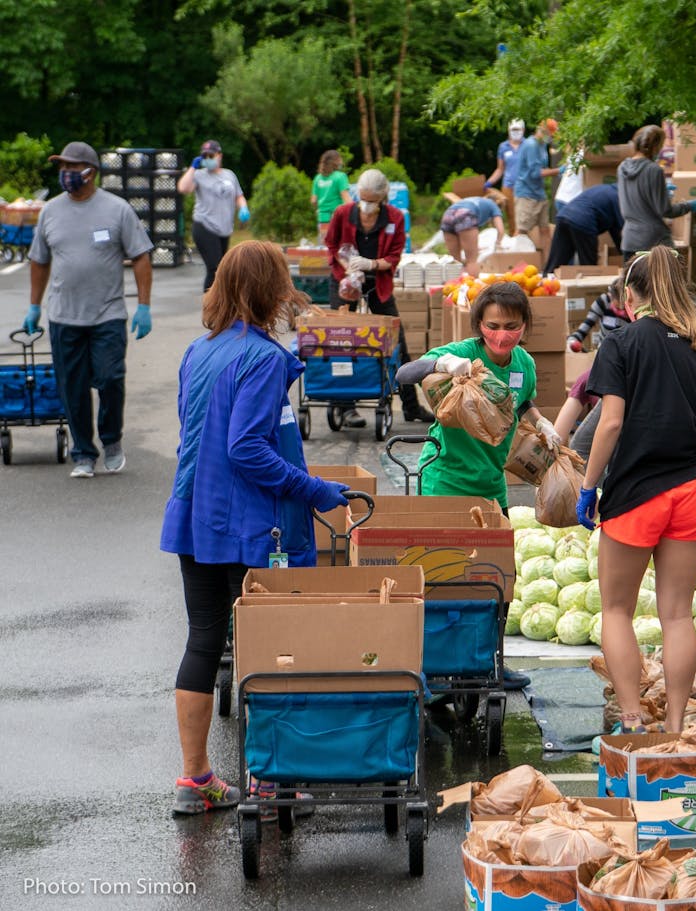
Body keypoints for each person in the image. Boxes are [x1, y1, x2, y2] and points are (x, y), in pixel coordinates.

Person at [160, 241, 351, 815]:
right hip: (247, 526)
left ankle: (196, 780)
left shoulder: (201, 349)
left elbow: (197, 430)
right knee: (270, 649)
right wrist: (314, 489)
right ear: (272, 291)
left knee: (204, 640)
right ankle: (273, 782)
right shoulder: (264, 358)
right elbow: (245, 447)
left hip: (195, 516)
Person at [575, 246, 696, 733]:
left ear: (629, 293)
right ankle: (676, 726)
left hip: (636, 493)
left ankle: (634, 720)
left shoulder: (620, 343)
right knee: (677, 615)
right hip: (693, 491)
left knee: (617, 610)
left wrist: (587, 486)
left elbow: (610, 424)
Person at [396, 281, 561, 690]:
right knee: (439, 579)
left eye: (512, 326)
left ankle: (490, 661)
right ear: (479, 325)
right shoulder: (463, 355)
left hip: (492, 488)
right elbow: (404, 373)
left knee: (497, 580)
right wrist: (442, 366)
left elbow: (521, 401)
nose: (502, 335)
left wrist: (541, 422)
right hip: (446, 483)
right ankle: (430, 665)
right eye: (493, 326)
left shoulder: (524, 362)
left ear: (525, 325)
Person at [23, 141, 153, 479]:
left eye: (70, 167)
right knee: (73, 387)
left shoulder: (117, 209)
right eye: (61, 167)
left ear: (90, 172)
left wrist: (144, 306)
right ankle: (83, 452)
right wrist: (34, 306)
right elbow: (39, 261)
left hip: (107, 314)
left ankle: (111, 441)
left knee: (110, 378)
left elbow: (140, 256)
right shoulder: (50, 211)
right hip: (64, 316)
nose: (65, 173)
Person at [325, 168, 433, 427]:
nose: (366, 205)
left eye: (372, 200)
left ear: (383, 198)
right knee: (341, 340)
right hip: (345, 281)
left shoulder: (394, 218)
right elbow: (331, 245)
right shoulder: (343, 213)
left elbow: (394, 257)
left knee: (398, 341)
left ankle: (411, 405)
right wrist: (345, 269)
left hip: (378, 282)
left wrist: (370, 264)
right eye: (363, 198)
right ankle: (344, 405)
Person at [554, 279, 629, 458]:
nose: (614, 304)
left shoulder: (634, 316)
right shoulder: (604, 301)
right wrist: (573, 341)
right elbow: (585, 327)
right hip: (604, 359)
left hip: (622, 365)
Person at [617, 125, 696, 261]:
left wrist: (660, 191)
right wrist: (688, 206)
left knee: (632, 282)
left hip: (630, 240)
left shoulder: (622, 168)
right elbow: (665, 210)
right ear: (656, 146)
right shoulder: (653, 170)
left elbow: (635, 198)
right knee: (666, 281)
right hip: (655, 243)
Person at [177, 140, 249, 291]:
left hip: (224, 229)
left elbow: (238, 196)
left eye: (212, 155)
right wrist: (192, 167)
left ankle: (221, 304)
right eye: (206, 156)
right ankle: (210, 305)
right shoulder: (199, 175)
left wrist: (243, 208)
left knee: (223, 270)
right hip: (205, 226)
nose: (209, 158)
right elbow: (183, 188)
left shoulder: (229, 175)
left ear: (219, 155)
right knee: (215, 268)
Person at [543, 184, 623, 275]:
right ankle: (589, 287)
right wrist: (625, 255)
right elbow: (621, 230)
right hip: (583, 221)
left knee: (556, 261)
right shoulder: (617, 197)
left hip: (564, 215)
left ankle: (545, 282)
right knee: (589, 266)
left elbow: (614, 230)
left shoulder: (604, 190)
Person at [513, 118, 561, 256]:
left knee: (545, 230)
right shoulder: (531, 145)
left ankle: (549, 266)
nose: (551, 138)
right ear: (543, 131)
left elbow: (542, 168)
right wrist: (558, 171)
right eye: (551, 135)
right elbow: (535, 173)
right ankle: (514, 263)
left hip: (539, 193)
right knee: (522, 230)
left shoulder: (541, 145)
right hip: (526, 194)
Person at [440, 190, 506, 277]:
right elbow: (500, 230)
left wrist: (473, 247)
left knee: (455, 262)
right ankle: (473, 289)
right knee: (471, 261)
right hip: (465, 214)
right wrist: (498, 243)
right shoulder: (494, 206)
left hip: (448, 213)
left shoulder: (476, 200)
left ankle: (455, 288)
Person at [484, 118, 526, 235]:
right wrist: (489, 182)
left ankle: (524, 242)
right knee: (511, 217)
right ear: (508, 130)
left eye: (518, 129)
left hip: (524, 186)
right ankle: (514, 242)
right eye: (513, 129)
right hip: (508, 186)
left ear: (523, 130)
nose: (516, 131)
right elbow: (500, 169)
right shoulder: (503, 147)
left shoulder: (528, 145)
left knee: (522, 216)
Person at [311, 150, 351, 242]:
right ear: (336, 161)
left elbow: (313, 200)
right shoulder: (340, 176)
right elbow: (347, 199)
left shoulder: (317, 178)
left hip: (322, 218)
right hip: (337, 217)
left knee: (325, 246)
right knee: (339, 246)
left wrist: (320, 209)